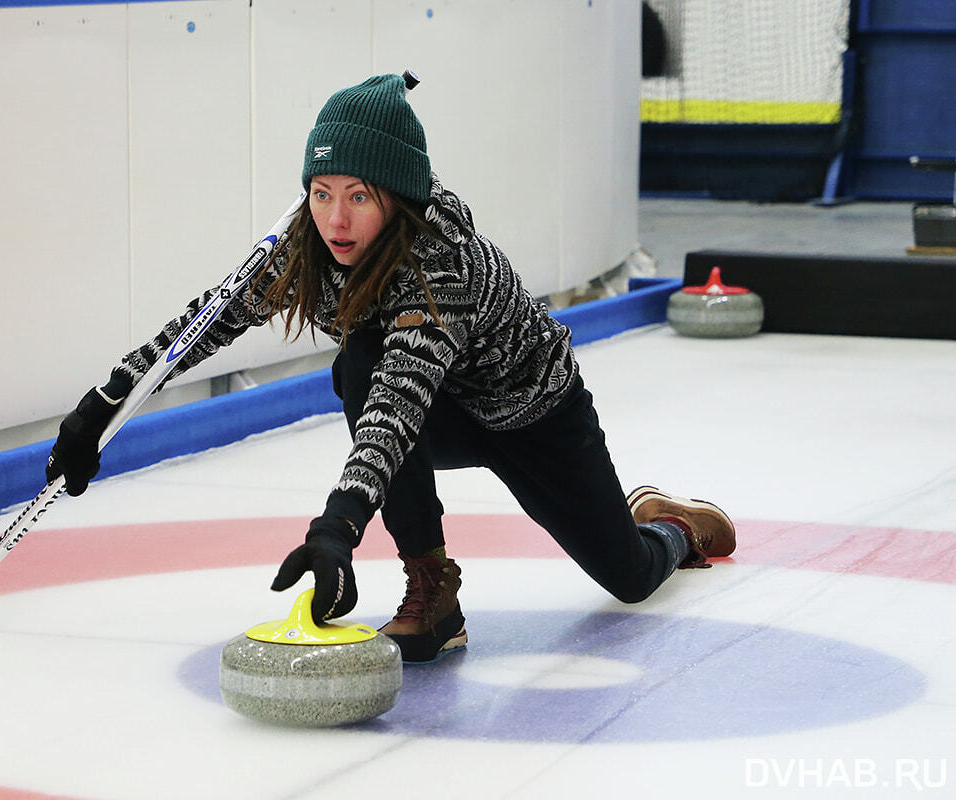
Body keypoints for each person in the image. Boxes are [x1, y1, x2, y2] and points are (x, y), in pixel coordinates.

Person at [46, 73, 736, 663]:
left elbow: (395, 411)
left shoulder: (442, 263)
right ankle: (431, 587)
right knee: (359, 362)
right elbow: (204, 321)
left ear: (396, 199)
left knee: (631, 576)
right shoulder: (309, 246)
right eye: (321, 192)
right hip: (445, 417)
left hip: (535, 414)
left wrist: (337, 526)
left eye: (359, 196)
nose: (336, 219)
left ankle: (668, 524)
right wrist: (102, 406)